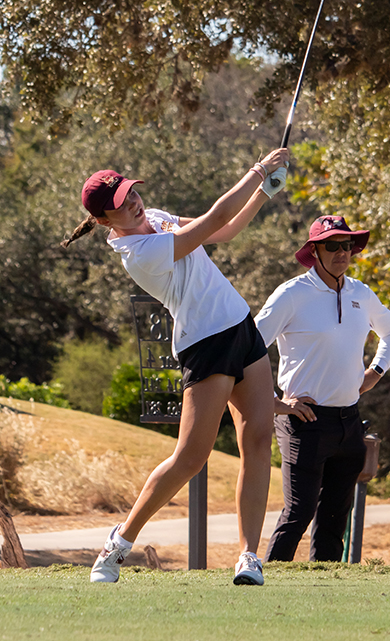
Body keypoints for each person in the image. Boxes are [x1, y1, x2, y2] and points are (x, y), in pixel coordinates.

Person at [62, 148, 291, 585]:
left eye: (131, 193)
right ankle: (119, 543)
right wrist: (256, 169)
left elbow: (223, 232)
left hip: (241, 327)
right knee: (190, 458)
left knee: (259, 441)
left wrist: (263, 192)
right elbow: (209, 220)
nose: (133, 202)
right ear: (106, 222)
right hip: (205, 343)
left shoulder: (157, 218)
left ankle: (248, 557)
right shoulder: (139, 252)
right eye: (121, 204)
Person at [254, 215, 390, 562]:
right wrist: (276, 403)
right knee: (299, 512)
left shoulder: (361, 294)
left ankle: (325, 593)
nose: (342, 252)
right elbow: (248, 349)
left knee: (335, 519)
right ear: (314, 251)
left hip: (348, 421)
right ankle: (267, 582)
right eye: (332, 245)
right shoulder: (292, 295)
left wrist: (376, 372)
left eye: (347, 245)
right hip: (302, 421)